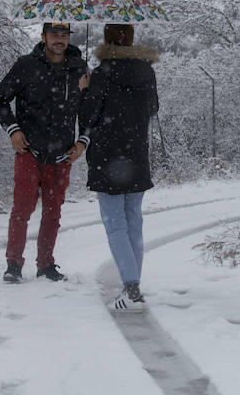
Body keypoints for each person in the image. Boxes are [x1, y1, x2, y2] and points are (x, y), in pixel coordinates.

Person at [0, 22, 89, 283]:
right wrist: (13, 130)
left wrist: (83, 142)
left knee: (53, 213)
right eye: (54, 35)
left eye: (64, 35)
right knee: (22, 210)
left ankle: (46, 264)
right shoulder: (26, 66)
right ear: (43, 36)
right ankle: (13, 264)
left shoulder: (79, 70)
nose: (59, 40)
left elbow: (90, 110)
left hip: (62, 156)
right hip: (29, 152)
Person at [80, 23, 159, 311]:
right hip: (137, 154)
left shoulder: (102, 74)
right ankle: (133, 283)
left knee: (115, 224)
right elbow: (153, 108)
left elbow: (90, 115)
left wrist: (86, 90)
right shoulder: (146, 71)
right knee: (134, 223)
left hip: (107, 157)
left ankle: (131, 288)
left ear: (106, 40)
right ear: (132, 38)